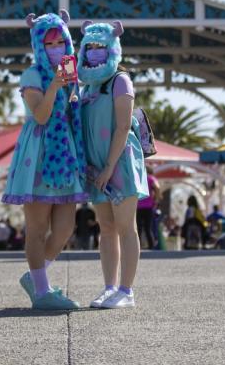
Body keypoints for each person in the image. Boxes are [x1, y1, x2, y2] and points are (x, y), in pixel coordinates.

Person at [1, 11, 87, 310]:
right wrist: (54, 86)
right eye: (49, 42)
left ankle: (36, 277)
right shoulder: (32, 75)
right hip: (38, 155)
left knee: (64, 228)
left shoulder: (73, 75)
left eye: (61, 41)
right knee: (37, 228)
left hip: (66, 155)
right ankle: (41, 292)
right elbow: (41, 115)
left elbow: (74, 114)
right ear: (38, 45)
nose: (56, 47)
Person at [79, 20, 149, 308]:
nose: (95, 52)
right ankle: (109, 287)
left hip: (119, 165)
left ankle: (126, 290)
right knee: (105, 227)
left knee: (125, 226)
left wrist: (109, 167)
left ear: (112, 48)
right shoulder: (87, 88)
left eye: (100, 47)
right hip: (97, 168)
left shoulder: (120, 81)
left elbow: (123, 128)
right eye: (90, 47)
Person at [136, 169, 160, 250]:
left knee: (138, 227)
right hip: (149, 206)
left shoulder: (138, 177)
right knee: (148, 227)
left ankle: (136, 246)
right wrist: (156, 199)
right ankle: (151, 246)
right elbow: (157, 187)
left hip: (138, 206)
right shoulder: (150, 178)